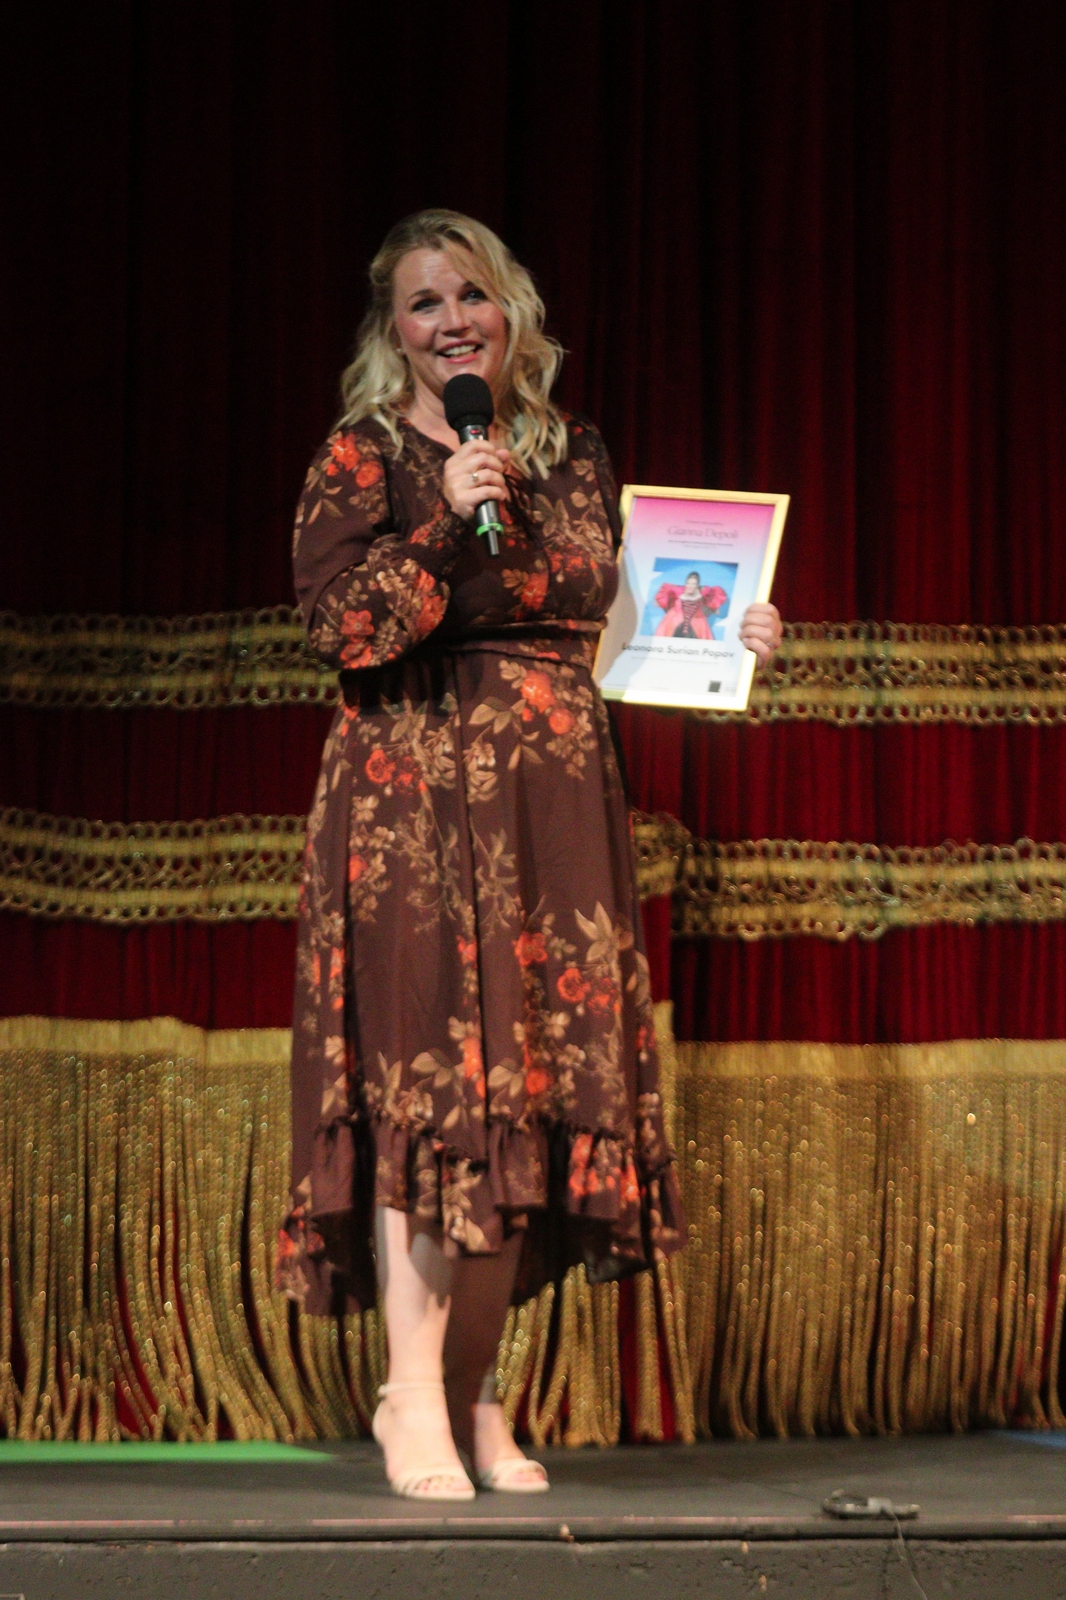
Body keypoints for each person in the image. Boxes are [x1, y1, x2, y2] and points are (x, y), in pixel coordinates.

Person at [277, 209, 782, 1500]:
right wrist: (442, 522)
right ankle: (409, 1393)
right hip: (414, 802)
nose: (452, 321)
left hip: (557, 810)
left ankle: (471, 1391)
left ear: (511, 311)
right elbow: (339, 629)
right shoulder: (364, 453)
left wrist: (725, 640)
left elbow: (608, 642)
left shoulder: (572, 455)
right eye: (423, 302)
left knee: (535, 1093)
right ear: (393, 331)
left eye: (471, 295)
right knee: (433, 1091)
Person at [654, 571, 728, 639]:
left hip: (697, 623)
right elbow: (665, 592)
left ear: (697, 585)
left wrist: (715, 607)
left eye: (693, 584)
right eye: (688, 583)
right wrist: (660, 602)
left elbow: (713, 595)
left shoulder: (703, 592)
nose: (690, 586)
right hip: (675, 620)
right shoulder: (678, 590)